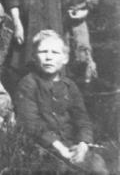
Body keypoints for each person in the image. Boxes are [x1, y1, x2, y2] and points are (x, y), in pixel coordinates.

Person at [15, 30, 108, 175]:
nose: (48, 57)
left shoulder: (70, 86)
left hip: (70, 145)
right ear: (34, 56)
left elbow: (82, 120)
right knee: (59, 168)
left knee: (97, 164)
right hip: (42, 146)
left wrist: (83, 145)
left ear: (65, 58)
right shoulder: (28, 84)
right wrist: (59, 147)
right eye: (43, 52)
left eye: (55, 52)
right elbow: (31, 124)